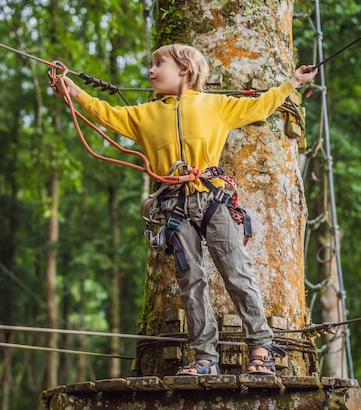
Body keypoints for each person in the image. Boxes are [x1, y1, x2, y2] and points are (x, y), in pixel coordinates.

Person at [51, 44, 317, 376]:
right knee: (190, 281)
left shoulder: (216, 105)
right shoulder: (143, 114)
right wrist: (72, 90)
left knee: (237, 272)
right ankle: (205, 358)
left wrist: (292, 83)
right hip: (173, 206)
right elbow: (104, 112)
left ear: (184, 70)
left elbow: (259, 106)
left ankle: (261, 348)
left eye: (158, 64)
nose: (150, 70)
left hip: (212, 201)